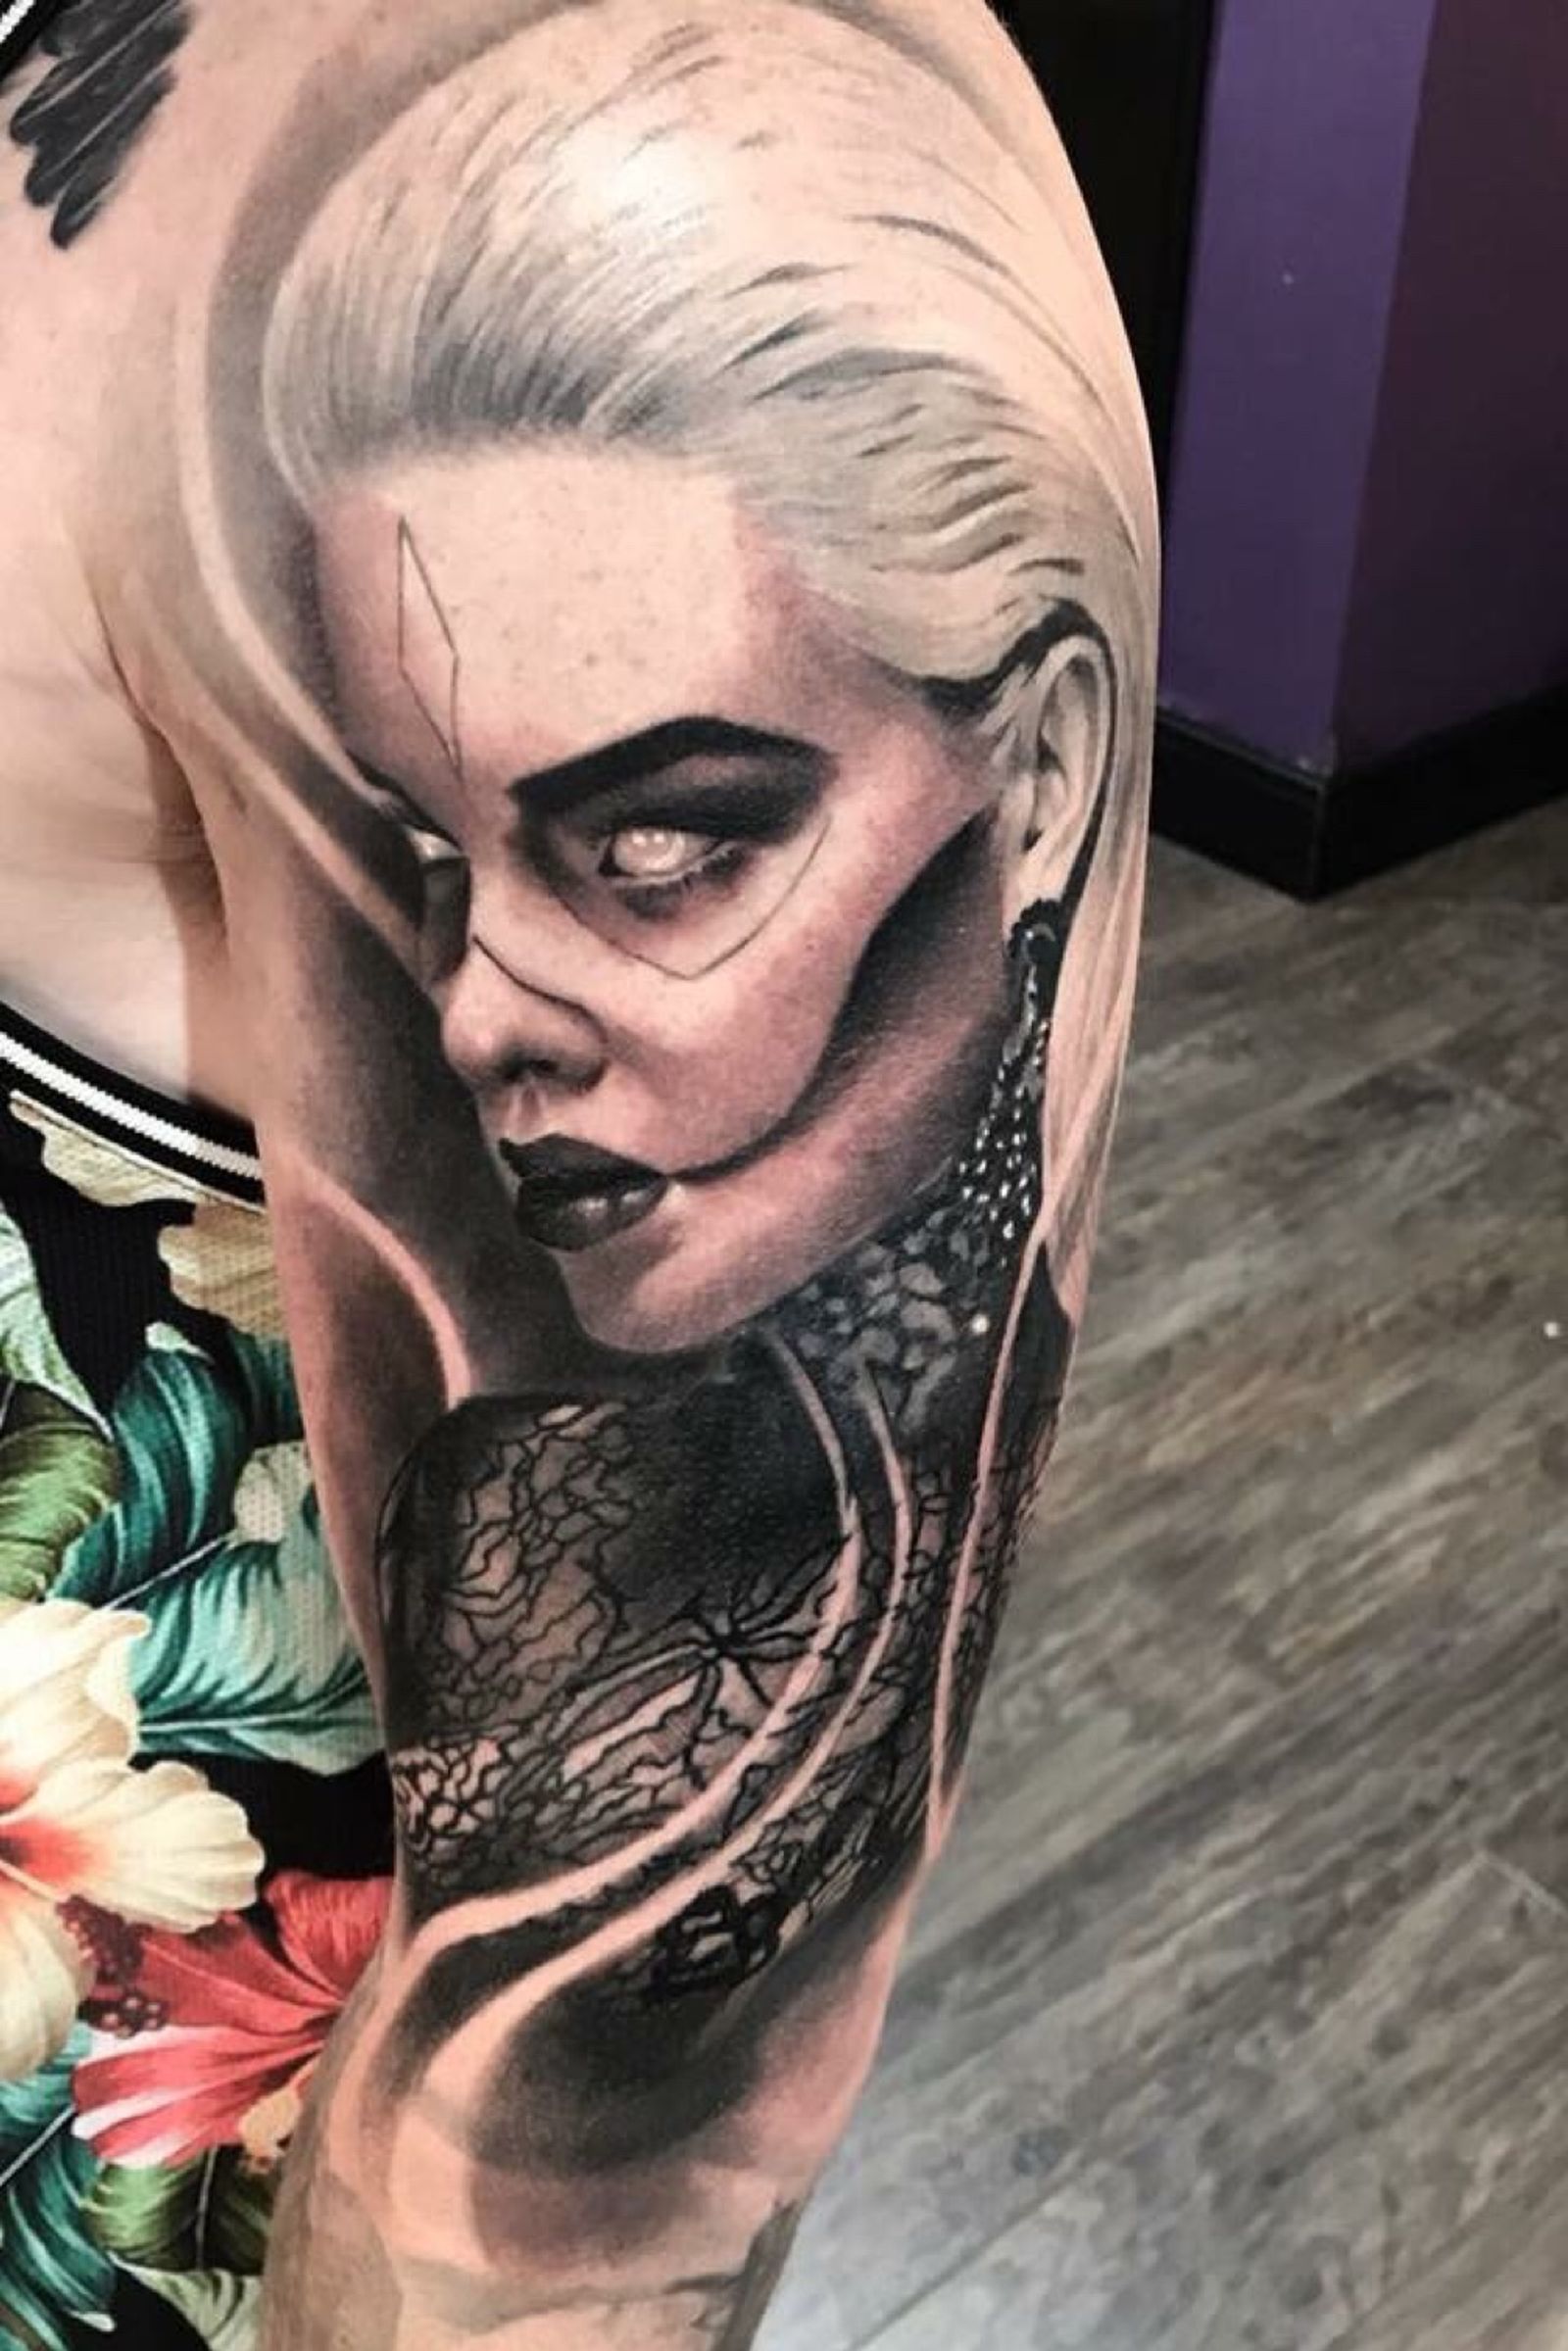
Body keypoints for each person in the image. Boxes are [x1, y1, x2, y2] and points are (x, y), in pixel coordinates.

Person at [0, 3, 1156, 2344]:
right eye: (423, 865)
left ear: (1035, 770)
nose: (473, 1018)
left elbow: (585, 2232)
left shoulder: (673, 191)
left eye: (655, 844)